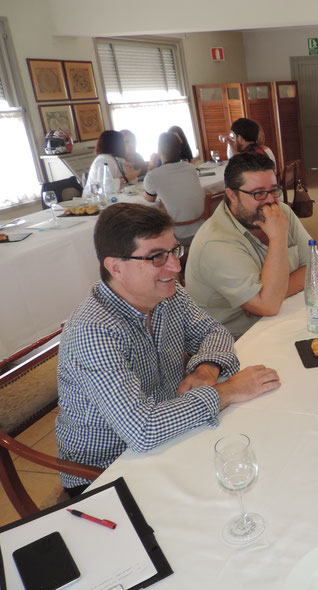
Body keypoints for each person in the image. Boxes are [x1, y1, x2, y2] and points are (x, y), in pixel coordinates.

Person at [56, 203, 281, 496]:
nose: (175, 266)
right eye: (157, 257)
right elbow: (143, 429)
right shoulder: (94, 332)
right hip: (106, 472)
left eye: (174, 251)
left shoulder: (167, 295)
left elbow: (214, 332)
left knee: (265, 458)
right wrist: (227, 391)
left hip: (172, 433)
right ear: (115, 267)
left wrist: (207, 368)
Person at [185, 152, 310, 338]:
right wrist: (278, 238)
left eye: (274, 190)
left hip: (278, 317)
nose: (270, 200)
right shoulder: (215, 242)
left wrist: (271, 294)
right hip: (234, 341)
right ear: (232, 195)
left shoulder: (281, 212)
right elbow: (269, 305)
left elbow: (314, 268)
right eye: (258, 193)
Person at [143, 132, 205, 246]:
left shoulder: (153, 175)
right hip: (202, 229)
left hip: (178, 235)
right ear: (179, 149)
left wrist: (151, 167)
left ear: (159, 151)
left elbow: (149, 199)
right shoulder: (191, 168)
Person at [82, 130, 139, 199]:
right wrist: (125, 178)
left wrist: (131, 173)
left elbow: (132, 183)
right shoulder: (103, 160)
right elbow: (104, 187)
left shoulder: (118, 159)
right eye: (123, 142)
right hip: (94, 201)